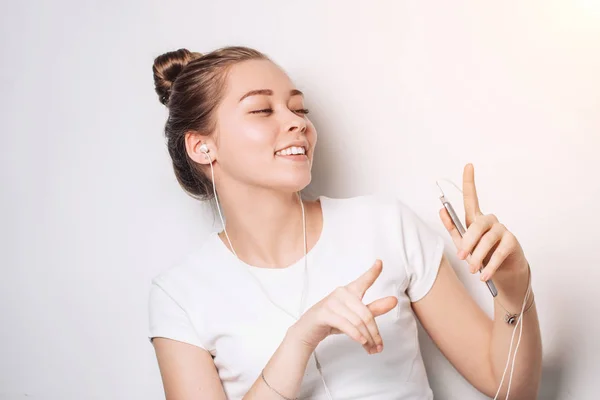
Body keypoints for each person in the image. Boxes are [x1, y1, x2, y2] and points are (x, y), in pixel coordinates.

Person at [148, 46, 542, 400]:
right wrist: (300, 341)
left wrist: (514, 292)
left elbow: (508, 387)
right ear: (202, 145)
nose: (297, 123)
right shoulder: (180, 295)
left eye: (299, 109)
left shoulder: (386, 224)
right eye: (262, 110)